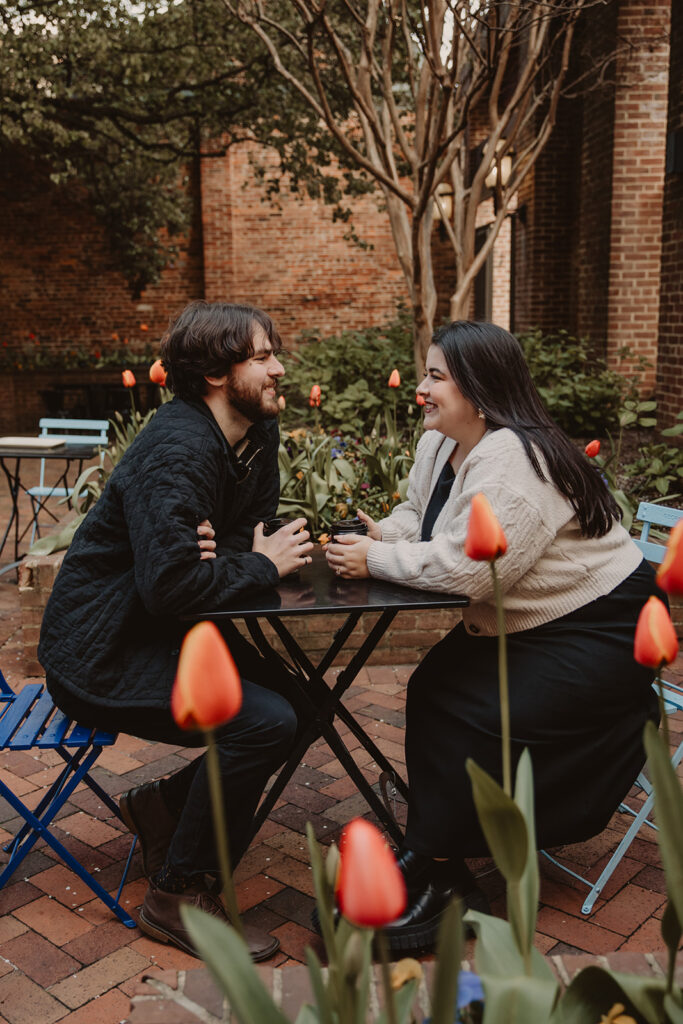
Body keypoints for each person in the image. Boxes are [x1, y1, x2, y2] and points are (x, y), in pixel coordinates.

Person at [325, 320, 662, 952]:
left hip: (599, 624)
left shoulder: (514, 464)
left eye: (435, 378)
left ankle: (441, 868)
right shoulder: (441, 443)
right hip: (531, 615)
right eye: (423, 374)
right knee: (434, 689)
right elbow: (421, 516)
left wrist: (374, 563)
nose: (422, 390)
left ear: (478, 390)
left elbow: (471, 570)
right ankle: (438, 859)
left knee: (474, 708)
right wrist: (382, 537)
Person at [39, 300, 314, 960]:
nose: (279, 367)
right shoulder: (179, 449)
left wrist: (234, 556)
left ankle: (163, 810)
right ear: (217, 373)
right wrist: (251, 563)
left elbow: (249, 534)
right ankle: (178, 894)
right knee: (266, 721)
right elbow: (173, 585)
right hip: (104, 649)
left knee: (307, 708)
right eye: (262, 356)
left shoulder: (253, 434)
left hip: (171, 631)